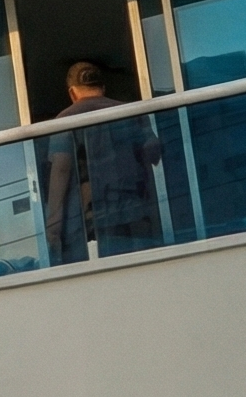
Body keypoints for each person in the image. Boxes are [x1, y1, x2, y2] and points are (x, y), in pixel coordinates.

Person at [43, 60, 161, 261]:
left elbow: (61, 170)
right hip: (135, 214)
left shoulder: (64, 120)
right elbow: (154, 155)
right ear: (103, 88)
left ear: (72, 93)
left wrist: (53, 224)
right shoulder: (131, 112)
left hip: (90, 223)